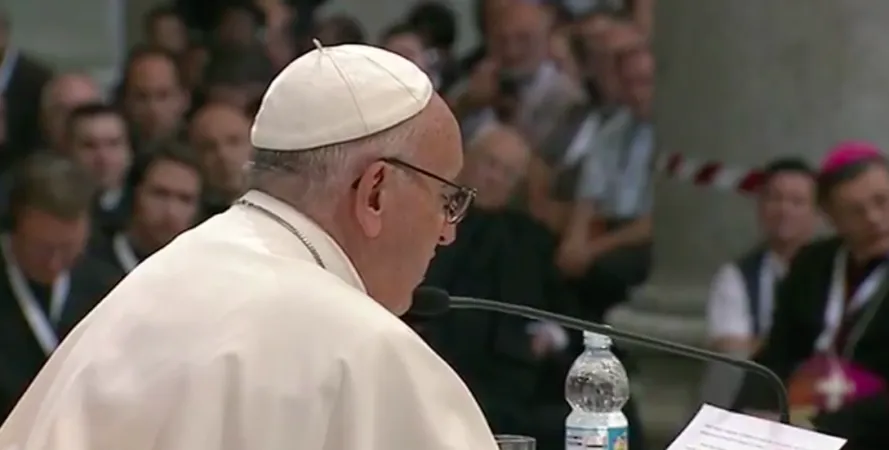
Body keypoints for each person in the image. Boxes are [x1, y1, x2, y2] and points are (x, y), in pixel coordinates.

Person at [0, 42, 498, 450]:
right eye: (446, 199)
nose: (447, 232)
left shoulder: (154, 282)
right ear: (375, 192)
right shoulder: (365, 349)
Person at [734, 142, 889, 449]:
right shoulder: (813, 262)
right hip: (800, 423)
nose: (873, 218)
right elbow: (777, 353)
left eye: (882, 201)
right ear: (830, 216)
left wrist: (818, 427)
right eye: (855, 211)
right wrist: (748, 417)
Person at [0, 153, 120, 420]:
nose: (54, 263)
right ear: (14, 227)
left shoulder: (107, 288)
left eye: (67, 249)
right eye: (41, 248)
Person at [702, 158, 817, 407]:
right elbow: (731, 345)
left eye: (797, 202)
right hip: (759, 390)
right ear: (760, 206)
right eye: (775, 199)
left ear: (816, 211)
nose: (784, 210)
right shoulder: (737, 275)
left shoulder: (834, 269)